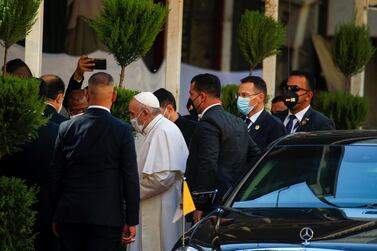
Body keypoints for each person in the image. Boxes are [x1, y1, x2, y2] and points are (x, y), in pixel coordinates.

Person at [49, 72, 139, 250]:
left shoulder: (66, 128)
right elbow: (130, 177)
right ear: (113, 96)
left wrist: (55, 214)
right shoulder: (122, 130)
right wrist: (131, 220)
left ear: (87, 95)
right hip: (107, 217)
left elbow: (55, 175)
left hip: (70, 215)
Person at [185, 73, 260, 223]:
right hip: (233, 202)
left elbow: (207, 164)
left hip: (210, 208)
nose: (191, 100)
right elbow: (257, 156)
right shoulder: (238, 122)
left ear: (202, 96)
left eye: (192, 94)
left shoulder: (208, 122)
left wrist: (200, 205)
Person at [128, 92, 188, 251]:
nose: (131, 119)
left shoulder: (163, 131)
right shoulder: (153, 130)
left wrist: (131, 192)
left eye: (133, 114)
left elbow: (162, 178)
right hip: (152, 202)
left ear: (145, 113)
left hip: (161, 206)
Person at [237, 76, 287, 150]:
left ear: (261, 97)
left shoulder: (274, 125)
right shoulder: (238, 122)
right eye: (239, 95)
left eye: (244, 95)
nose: (240, 99)